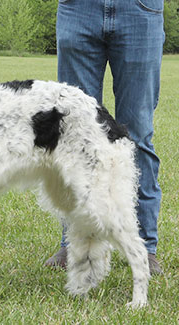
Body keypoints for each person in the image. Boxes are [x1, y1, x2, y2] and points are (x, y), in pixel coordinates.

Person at [45, 0, 164, 275]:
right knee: (76, 136)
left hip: (140, 8)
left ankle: (145, 245)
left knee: (138, 134)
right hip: (78, 8)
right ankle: (74, 242)